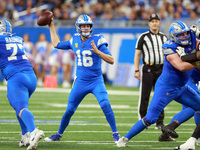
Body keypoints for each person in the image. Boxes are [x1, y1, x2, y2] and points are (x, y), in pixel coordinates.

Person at [117, 21, 200, 148]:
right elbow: (181, 66)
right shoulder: (168, 46)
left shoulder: (193, 37)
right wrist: (197, 62)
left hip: (182, 87)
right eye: (181, 35)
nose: (185, 37)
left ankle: (197, 138)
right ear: (174, 36)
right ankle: (124, 139)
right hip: (167, 87)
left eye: (186, 33)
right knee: (150, 119)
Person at [44, 14, 120, 143]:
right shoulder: (74, 39)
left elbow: (111, 60)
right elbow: (56, 44)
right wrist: (51, 26)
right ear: (78, 27)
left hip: (96, 81)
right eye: (83, 26)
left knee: (105, 104)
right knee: (69, 110)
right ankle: (59, 134)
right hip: (80, 82)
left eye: (88, 26)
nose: (86, 28)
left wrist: (98, 52)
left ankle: (116, 134)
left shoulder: (98, 39)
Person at [0, 20, 44, 150]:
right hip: (31, 77)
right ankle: (25, 135)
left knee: (20, 108)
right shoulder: (18, 39)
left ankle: (33, 131)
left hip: (16, 77)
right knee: (19, 106)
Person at [134, 13, 167, 130]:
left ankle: (159, 122)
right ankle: (143, 120)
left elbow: (168, 55)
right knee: (145, 95)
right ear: (149, 23)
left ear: (159, 23)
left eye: (156, 21)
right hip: (148, 68)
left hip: (161, 69)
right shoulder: (143, 37)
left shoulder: (164, 37)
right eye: (152, 21)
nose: (154, 23)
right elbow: (138, 54)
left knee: (160, 95)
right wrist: (136, 70)